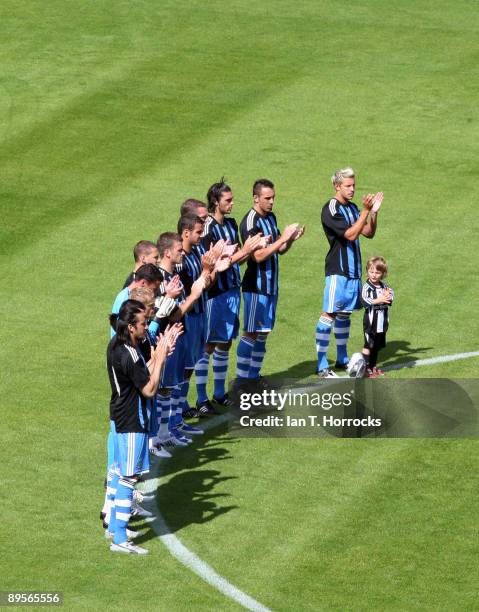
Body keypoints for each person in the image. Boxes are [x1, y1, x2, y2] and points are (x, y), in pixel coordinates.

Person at [106, 300, 181, 554]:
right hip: (131, 420)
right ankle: (119, 539)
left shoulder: (121, 346)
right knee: (128, 477)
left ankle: (116, 529)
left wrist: (160, 353)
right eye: (143, 323)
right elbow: (149, 388)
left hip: (121, 416)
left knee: (119, 472)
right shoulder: (129, 352)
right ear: (130, 327)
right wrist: (160, 358)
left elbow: (140, 376)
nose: (146, 326)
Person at [195, 179, 264, 408]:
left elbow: (235, 258)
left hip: (232, 289)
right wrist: (244, 250)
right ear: (215, 202)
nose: (232, 203)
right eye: (228, 200)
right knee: (209, 344)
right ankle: (202, 398)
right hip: (215, 293)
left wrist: (250, 250)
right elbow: (212, 261)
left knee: (225, 343)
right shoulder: (208, 229)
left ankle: (219, 393)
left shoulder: (232, 224)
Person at [316, 167, 384, 377]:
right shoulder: (331, 208)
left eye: (354, 185)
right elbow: (351, 235)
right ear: (337, 186)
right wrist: (365, 210)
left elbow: (368, 233)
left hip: (353, 271)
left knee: (345, 314)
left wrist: (373, 213)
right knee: (329, 313)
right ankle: (321, 365)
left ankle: (342, 358)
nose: (353, 189)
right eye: (348, 186)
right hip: (338, 270)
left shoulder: (353, 208)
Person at [236, 179, 304, 384]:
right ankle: (241, 381)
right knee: (251, 332)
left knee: (263, 333)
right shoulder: (250, 222)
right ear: (256, 198)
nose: (272, 201)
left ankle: (254, 376)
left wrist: (290, 240)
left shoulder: (271, 217)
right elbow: (256, 256)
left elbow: (278, 250)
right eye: (267, 198)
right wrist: (283, 239)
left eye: (273, 197)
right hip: (256, 287)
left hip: (271, 286)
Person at [360, 256, 394, 377]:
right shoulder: (366, 287)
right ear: (367, 271)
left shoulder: (385, 287)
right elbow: (364, 301)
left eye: (377, 272)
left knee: (377, 346)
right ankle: (365, 368)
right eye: (371, 272)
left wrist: (388, 296)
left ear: (383, 273)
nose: (374, 275)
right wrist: (379, 299)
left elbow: (390, 298)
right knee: (368, 345)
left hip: (382, 322)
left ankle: (373, 367)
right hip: (370, 322)